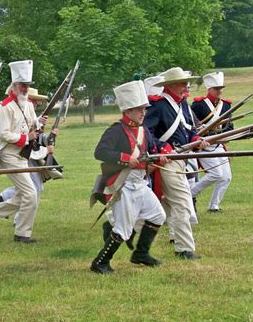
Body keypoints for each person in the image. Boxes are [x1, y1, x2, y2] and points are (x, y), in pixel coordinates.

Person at [90, 80, 167, 274]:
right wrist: (125, 159)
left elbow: (154, 147)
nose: (143, 113)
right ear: (128, 111)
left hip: (140, 182)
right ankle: (100, 262)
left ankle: (141, 254)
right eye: (139, 109)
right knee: (123, 230)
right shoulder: (115, 130)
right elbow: (101, 152)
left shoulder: (144, 130)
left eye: (144, 109)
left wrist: (164, 152)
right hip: (123, 184)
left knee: (158, 215)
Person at [0, 60, 46, 244]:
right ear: (15, 85)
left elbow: (32, 124)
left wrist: (40, 124)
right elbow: (4, 134)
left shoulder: (29, 105)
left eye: (28, 86)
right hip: (9, 155)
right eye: (23, 85)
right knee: (31, 194)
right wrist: (27, 138)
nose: (26, 89)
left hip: (23, 154)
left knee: (23, 194)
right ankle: (22, 234)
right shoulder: (5, 107)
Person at [145, 67, 209, 260]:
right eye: (182, 84)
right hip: (166, 161)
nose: (185, 87)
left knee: (169, 203)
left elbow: (189, 130)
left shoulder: (183, 105)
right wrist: (162, 146)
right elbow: (145, 133)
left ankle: (173, 236)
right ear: (171, 85)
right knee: (182, 202)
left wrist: (197, 139)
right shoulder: (158, 106)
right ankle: (184, 248)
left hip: (181, 159)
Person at [0, 87, 60, 219]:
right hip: (24, 155)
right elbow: (28, 140)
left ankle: (6, 198)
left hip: (29, 155)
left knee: (32, 189)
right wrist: (45, 150)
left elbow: (37, 137)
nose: (38, 104)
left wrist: (49, 136)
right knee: (32, 191)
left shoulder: (32, 116)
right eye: (35, 101)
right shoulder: (17, 112)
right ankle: (15, 213)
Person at [191, 71, 233, 212]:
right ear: (209, 89)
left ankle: (214, 205)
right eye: (216, 88)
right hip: (204, 145)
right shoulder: (198, 105)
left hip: (219, 144)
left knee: (226, 177)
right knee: (216, 174)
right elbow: (192, 124)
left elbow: (230, 127)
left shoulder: (226, 106)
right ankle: (190, 194)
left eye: (221, 88)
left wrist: (223, 136)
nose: (219, 91)